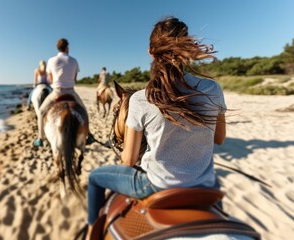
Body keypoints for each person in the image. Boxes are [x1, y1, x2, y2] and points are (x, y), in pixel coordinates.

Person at [86, 16, 227, 233]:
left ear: (151, 53)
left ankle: (90, 230)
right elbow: (219, 138)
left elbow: (129, 160)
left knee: (94, 178)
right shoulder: (213, 88)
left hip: (157, 184)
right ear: (187, 47)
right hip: (204, 185)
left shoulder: (141, 99)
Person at [33, 38, 91, 147]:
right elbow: (75, 79)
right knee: (84, 111)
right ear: (67, 48)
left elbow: (50, 79)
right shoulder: (74, 60)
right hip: (71, 92)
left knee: (40, 112)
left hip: (57, 92)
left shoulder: (51, 60)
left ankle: (40, 138)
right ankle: (89, 135)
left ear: (57, 48)